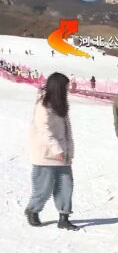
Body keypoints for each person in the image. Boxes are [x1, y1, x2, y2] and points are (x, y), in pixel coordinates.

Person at [24, 72, 79, 231]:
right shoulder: (43, 105)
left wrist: (68, 151)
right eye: (66, 86)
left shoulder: (60, 103)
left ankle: (64, 217)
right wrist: (57, 149)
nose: (68, 89)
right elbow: (44, 130)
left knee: (66, 186)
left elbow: (66, 131)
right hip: (45, 155)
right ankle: (33, 210)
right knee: (44, 187)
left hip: (62, 154)